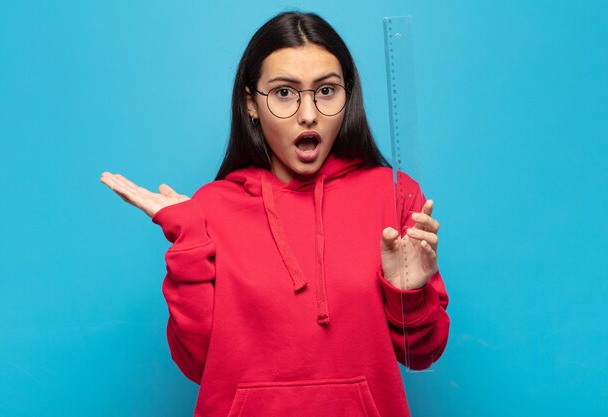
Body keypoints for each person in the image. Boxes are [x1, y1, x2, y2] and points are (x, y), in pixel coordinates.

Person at [100, 11, 449, 417]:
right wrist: (189, 237)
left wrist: (407, 294)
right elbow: (196, 364)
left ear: (347, 96)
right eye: (284, 93)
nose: (308, 113)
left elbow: (423, 353)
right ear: (251, 103)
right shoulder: (211, 208)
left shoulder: (393, 194)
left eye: (326, 91)